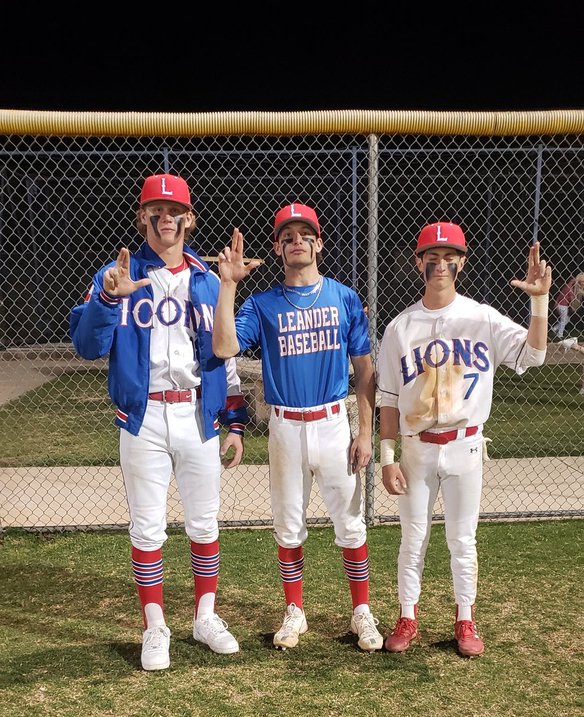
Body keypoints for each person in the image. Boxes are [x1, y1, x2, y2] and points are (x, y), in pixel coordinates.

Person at [70, 173, 248, 670]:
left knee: (204, 521)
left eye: (174, 210)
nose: (165, 217)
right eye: (155, 209)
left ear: (189, 219)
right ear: (141, 216)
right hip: (144, 414)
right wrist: (109, 298)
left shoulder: (210, 280)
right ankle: (154, 626)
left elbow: (225, 358)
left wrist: (234, 420)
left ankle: (205, 616)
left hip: (196, 412)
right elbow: (87, 346)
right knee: (147, 529)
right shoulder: (117, 273)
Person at [211, 203, 383, 652]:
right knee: (288, 526)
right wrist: (228, 285)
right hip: (285, 425)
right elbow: (225, 345)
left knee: (350, 523)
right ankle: (295, 610)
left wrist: (365, 433)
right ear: (277, 248)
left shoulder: (345, 298)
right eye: (287, 236)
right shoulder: (263, 304)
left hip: (332, 421)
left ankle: (361, 611)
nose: (297, 241)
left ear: (319, 243)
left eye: (305, 234)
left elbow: (365, 372)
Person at [377, 221, 551, 657]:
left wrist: (541, 301)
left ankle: (465, 616)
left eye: (449, 256)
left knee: (462, 539)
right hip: (417, 448)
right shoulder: (401, 327)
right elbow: (389, 398)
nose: (440, 264)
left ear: (462, 261)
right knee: (412, 538)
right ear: (418, 263)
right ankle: (408, 614)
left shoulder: (482, 317)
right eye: (431, 257)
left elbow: (534, 353)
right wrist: (387, 455)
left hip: (466, 444)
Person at [552, 272, 584, 337]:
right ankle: (560, 334)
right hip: (562, 305)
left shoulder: (570, 285)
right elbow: (572, 297)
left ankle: (555, 328)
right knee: (564, 319)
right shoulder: (570, 287)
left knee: (566, 319)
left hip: (561, 304)